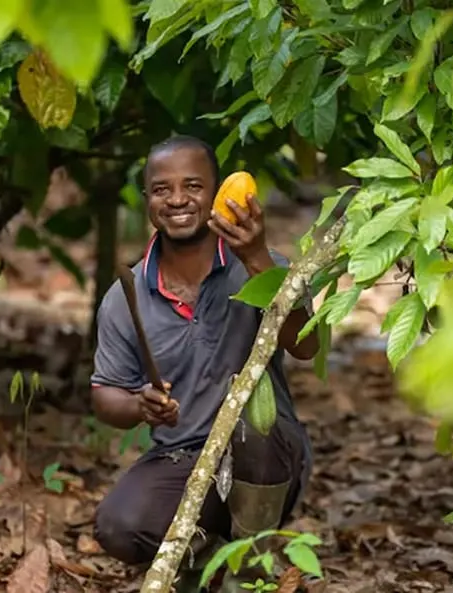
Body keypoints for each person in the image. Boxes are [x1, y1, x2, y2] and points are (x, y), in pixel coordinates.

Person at [89, 135, 318, 591]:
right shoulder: (126, 296)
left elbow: (305, 345)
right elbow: (104, 395)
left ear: (215, 193)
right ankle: (208, 562)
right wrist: (139, 405)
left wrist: (254, 258)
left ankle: (252, 567)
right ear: (147, 199)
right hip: (182, 458)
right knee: (117, 525)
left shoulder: (261, 265)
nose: (177, 200)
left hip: (265, 454)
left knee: (253, 424)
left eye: (192, 186)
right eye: (161, 189)